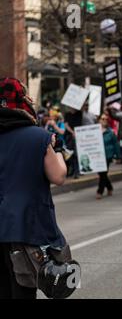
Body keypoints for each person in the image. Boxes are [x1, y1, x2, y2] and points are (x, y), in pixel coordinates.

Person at [0, 78, 67, 299]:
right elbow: (58, 176)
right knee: (24, 290)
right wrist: (57, 152)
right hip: (25, 228)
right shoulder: (38, 137)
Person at [97, 114, 121, 200]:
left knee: (103, 173)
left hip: (107, 155)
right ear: (99, 120)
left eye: (106, 119)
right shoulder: (94, 131)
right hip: (97, 155)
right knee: (101, 173)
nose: (104, 120)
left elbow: (116, 144)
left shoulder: (110, 132)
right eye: (102, 119)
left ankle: (100, 191)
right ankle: (110, 187)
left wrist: (118, 156)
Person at [64, 107, 83, 178]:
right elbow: (66, 125)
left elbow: (80, 123)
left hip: (78, 135)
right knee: (69, 154)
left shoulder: (79, 113)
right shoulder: (67, 114)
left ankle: (76, 172)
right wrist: (72, 132)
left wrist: (76, 132)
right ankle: (71, 170)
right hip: (69, 136)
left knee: (76, 154)